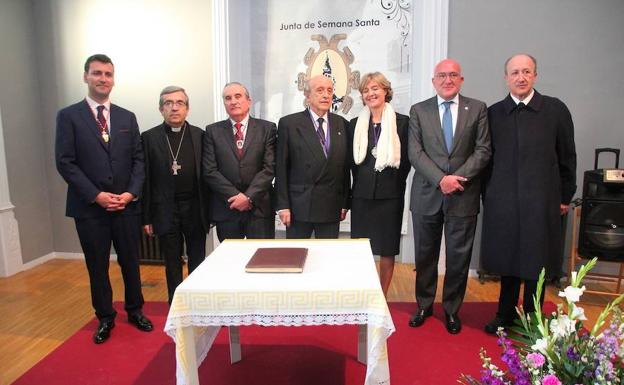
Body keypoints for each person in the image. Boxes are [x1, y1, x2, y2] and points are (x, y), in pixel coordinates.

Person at [55, 54, 152, 344]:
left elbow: (139, 160)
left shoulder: (127, 117)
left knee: (131, 262)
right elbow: (65, 162)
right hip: (90, 208)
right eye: (97, 73)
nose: (103, 79)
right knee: (97, 265)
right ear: (86, 76)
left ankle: (135, 310)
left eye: (108, 74)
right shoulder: (68, 116)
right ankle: (105, 317)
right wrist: (96, 195)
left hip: (125, 206)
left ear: (114, 79)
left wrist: (130, 193)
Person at [482, 54, 576, 334]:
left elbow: (567, 156)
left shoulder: (555, 110)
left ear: (535, 75)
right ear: (506, 78)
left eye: (526, 72)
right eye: (514, 73)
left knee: (537, 260)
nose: (520, 78)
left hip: (542, 200)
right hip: (504, 200)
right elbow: (486, 159)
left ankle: (535, 317)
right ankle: (505, 314)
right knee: (508, 258)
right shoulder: (494, 113)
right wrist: (489, 196)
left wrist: (565, 196)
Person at [408, 59, 491, 334]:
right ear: (434, 81)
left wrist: (456, 179)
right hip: (426, 195)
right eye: (442, 75)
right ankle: (424, 304)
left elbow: (483, 150)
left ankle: (452, 310)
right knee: (425, 256)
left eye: (453, 75)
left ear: (461, 79)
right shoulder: (419, 111)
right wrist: (440, 179)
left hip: (463, 195)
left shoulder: (477, 109)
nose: (447, 80)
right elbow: (415, 153)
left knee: (458, 258)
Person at [141, 86, 210, 305]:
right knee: (171, 261)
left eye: (179, 103)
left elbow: (209, 176)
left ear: (187, 109)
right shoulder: (149, 138)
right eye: (168, 103)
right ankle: (176, 304)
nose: (174, 108)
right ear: (160, 109)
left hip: (195, 207)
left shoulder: (200, 135)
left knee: (198, 258)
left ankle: (197, 301)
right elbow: (145, 180)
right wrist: (146, 217)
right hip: (165, 209)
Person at [348, 72, 410, 296]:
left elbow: (407, 162)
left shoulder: (403, 122)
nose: (371, 93)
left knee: (387, 248)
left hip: (390, 194)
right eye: (366, 90)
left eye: (375, 88)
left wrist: (391, 182)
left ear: (385, 91)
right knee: (361, 248)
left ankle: (381, 297)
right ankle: (364, 293)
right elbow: (351, 163)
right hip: (362, 195)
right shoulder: (355, 124)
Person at [275, 75, 350, 238]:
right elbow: (280, 168)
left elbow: (344, 169)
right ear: (307, 96)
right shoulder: (289, 124)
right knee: (296, 258)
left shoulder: (342, 124)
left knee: (327, 258)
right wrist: (283, 206)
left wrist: (345, 203)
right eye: (320, 90)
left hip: (331, 206)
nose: (326, 95)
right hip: (298, 207)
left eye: (329, 91)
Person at [203, 82, 276, 241]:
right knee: (230, 261)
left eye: (238, 96)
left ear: (249, 101)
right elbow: (210, 171)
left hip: (259, 208)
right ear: (224, 104)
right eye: (228, 98)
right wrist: (236, 196)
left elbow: (269, 168)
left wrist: (248, 197)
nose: (233, 101)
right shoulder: (212, 131)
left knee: (261, 261)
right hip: (227, 207)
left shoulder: (267, 129)